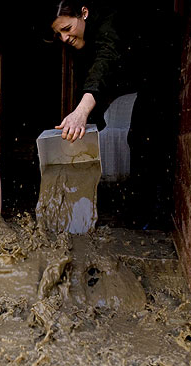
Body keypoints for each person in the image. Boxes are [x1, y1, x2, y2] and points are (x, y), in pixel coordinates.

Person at [48, 0, 182, 230]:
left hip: (162, 64)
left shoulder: (108, 22)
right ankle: (141, 210)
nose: (64, 38)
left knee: (145, 137)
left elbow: (105, 61)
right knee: (137, 138)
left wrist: (82, 112)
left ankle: (154, 216)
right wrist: (89, 121)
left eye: (67, 29)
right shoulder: (83, 43)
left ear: (84, 13)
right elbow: (90, 77)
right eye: (59, 34)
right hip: (137, 78)